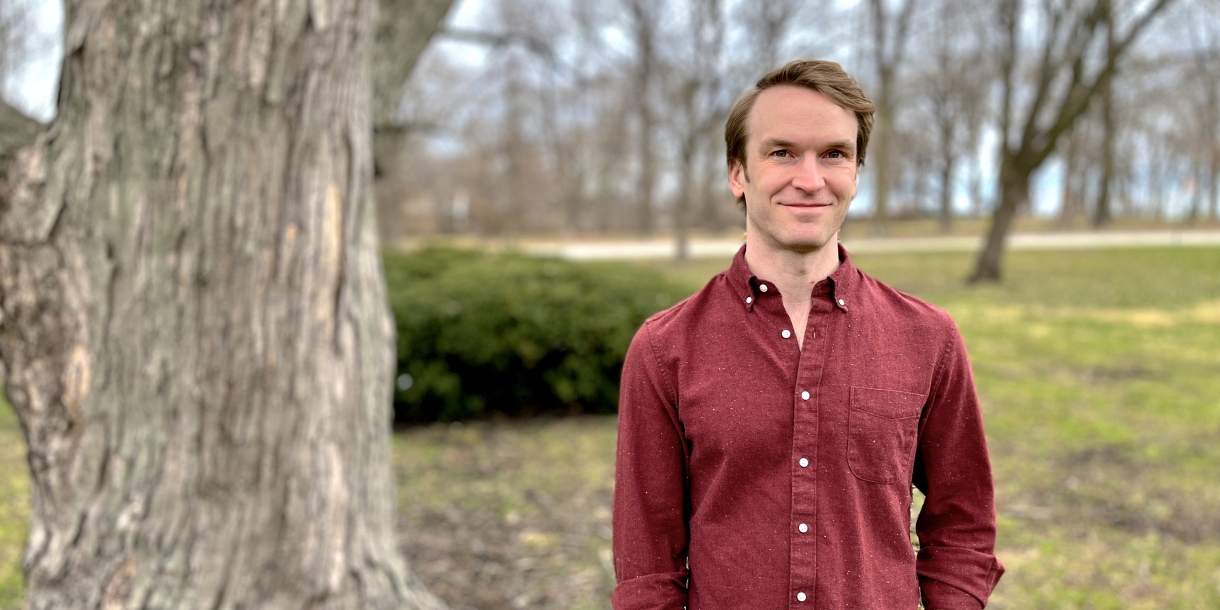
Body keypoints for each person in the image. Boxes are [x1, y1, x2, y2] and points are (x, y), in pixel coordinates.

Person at [611, 59, 1004, 610]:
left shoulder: (928, 337)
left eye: (834, 155)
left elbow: (964, 524)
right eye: (782, 152)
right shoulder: (665, 349)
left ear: (857, 174)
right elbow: (646, 563)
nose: (810, 179)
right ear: (737, 173)